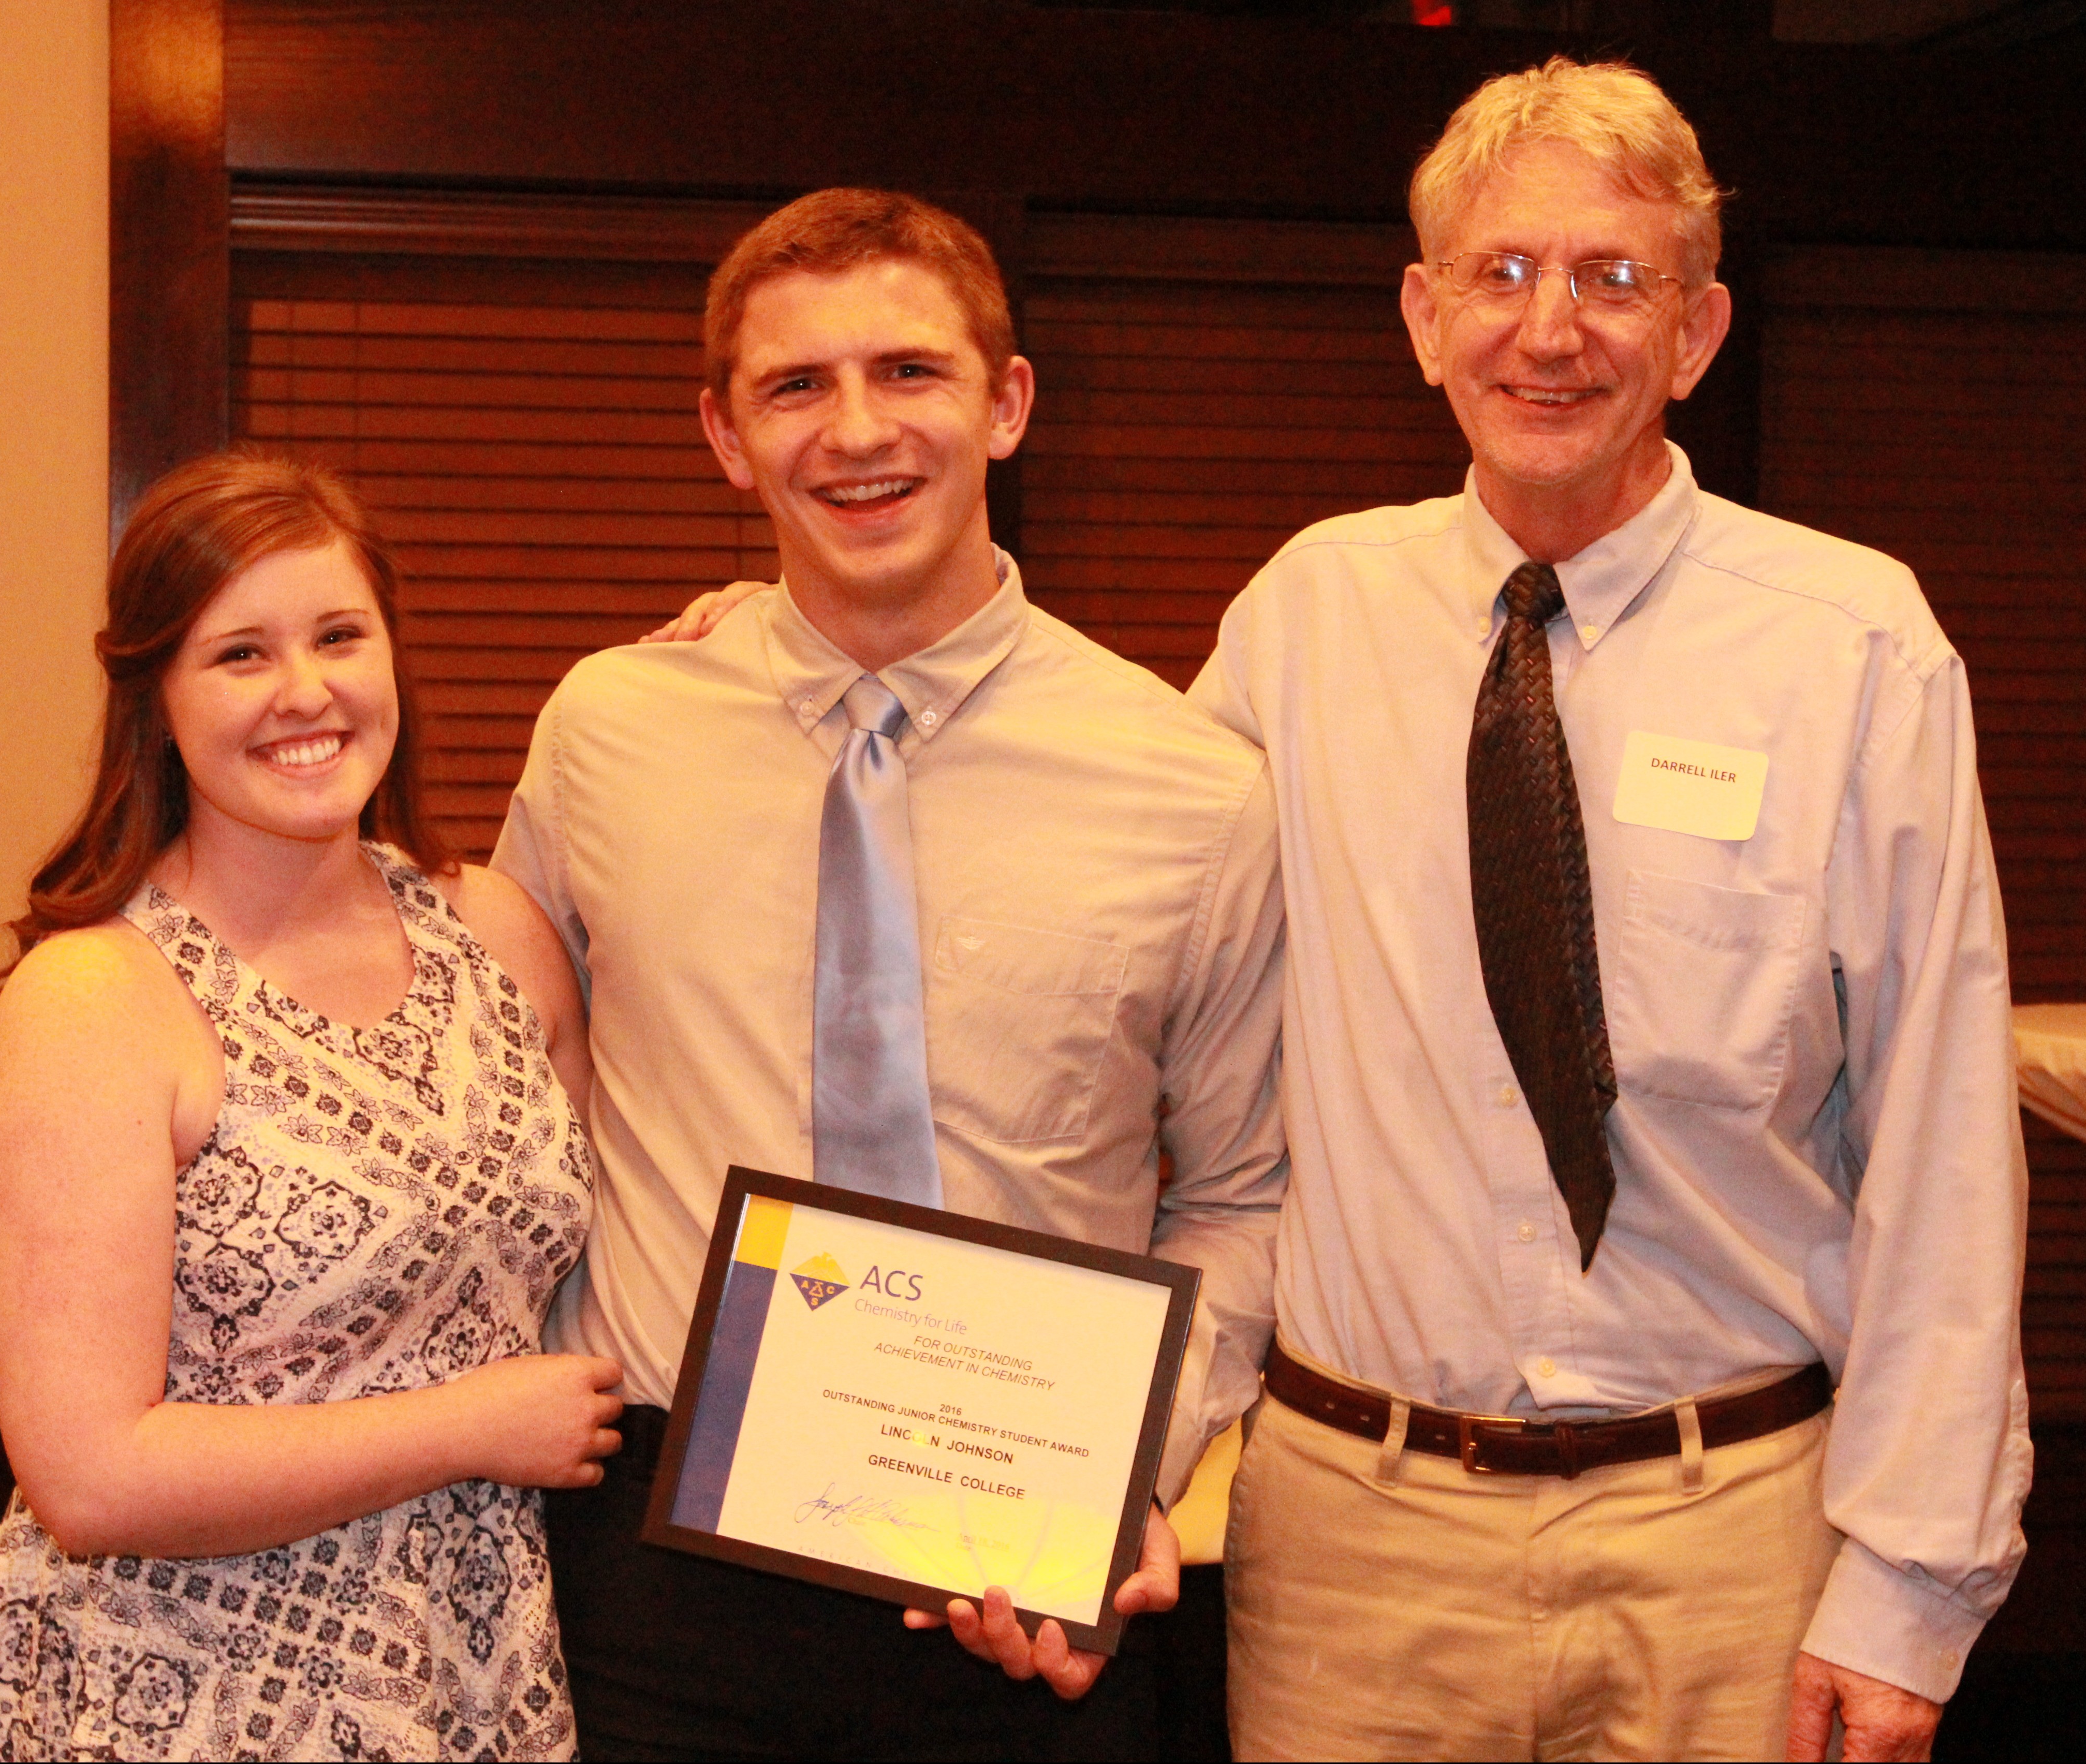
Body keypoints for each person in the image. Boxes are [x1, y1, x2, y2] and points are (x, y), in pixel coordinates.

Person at [1187, 57, 2029, 1763]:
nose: (1546, 330)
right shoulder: (1304, 614)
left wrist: (1910, 1592)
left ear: (1698, 330)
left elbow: (1942, 1131)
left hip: (1731, 1540)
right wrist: (789, 640)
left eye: (1609, 278)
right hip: (1358, 1544)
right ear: (1422, 317)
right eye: (1499, 275)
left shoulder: (1851, 642)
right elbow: (1115, 910)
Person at [492, 188, 1288, 1761]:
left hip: (1027, 1572)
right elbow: (508, 1088)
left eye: (909, 374)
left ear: (1005, 405)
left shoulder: (1193, 786)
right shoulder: (607, 732)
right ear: (726, 437)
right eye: (796, 387)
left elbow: (1247, 1194)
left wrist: (1124, 1466)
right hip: (660, 1577)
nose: (856, 431)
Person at [0, 454, 619, 1762]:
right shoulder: (96, 996)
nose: (305, 692)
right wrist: (470, 1426)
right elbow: (88, 1477)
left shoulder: (492, 930)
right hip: (179, 1688)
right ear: (160, 698)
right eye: (239, 654)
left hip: (468, 1663)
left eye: (339, 636)